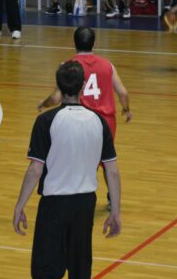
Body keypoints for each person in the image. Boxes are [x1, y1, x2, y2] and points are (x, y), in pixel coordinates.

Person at [13, 60, 121, 279]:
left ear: (59, 88)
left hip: (56, 205)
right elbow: (111, 169)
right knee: (79, 266)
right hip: (86, 203)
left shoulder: (47, 121)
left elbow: (35, 169)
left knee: (44, 274)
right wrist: (115, 212)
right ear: (84, 84)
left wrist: (20, 205)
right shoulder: (99, 122)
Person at [37, 27, 131, 207]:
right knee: (107, 160)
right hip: (106, 122)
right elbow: (123, 93)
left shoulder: (69, 66)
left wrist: (44, 104)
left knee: (78, 159)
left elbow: (56, 98)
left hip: (80, 118)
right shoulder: (107, 65)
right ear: (93, 43)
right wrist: (126, 109)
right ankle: (113, 197)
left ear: (74, 43)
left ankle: (75, 193)